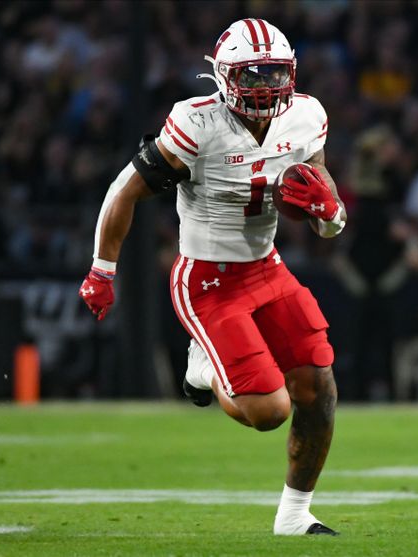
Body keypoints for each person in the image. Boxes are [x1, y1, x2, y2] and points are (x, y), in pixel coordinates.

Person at [78, 19, 345, 535]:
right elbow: (124, 190)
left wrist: (331, 213)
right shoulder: (197, 124)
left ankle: (294, 517)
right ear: (224, 77)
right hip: (207, 279)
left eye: (274, 72)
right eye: (254, 74)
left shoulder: (307, 115)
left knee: (319, 385)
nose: (266, 85)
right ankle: (201, 367)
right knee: (269, 410)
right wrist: (102, 268)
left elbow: (324, 205)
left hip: (267, 268)